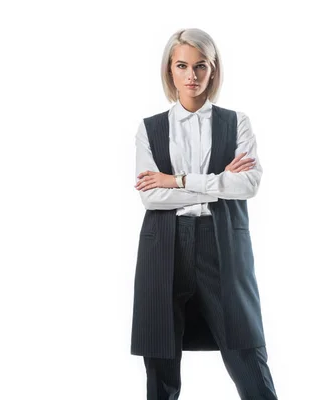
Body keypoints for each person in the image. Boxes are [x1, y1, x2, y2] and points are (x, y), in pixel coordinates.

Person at [131, 28, 279, 400]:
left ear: (213, 70)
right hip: (164, 244)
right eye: (182, 66)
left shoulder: (236, 123)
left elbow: (247, 186)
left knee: (245, 347)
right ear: (170, 71)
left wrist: (176, 180)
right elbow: (152, 198)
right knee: (160, 354)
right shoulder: (149, 129)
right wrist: (217, 183)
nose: (192, 75)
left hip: (222, 241)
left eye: (201, 66)